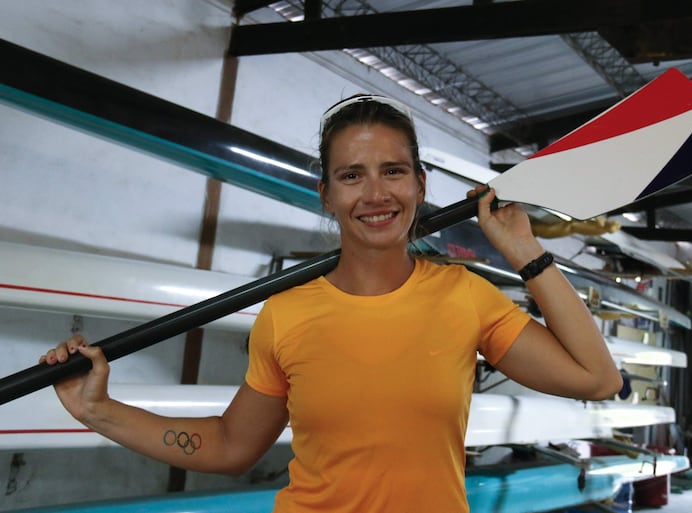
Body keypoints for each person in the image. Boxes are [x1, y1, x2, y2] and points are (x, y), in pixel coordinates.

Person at [42, 94, 622, 512]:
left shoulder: (465, 295)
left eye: (393, 171)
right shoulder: (286, 315)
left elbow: (597, 379)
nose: (375, 194)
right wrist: (99, 410)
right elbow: (230, 445)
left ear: (420, 185)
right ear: (326, 193)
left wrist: (526, 252)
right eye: (352, 176)